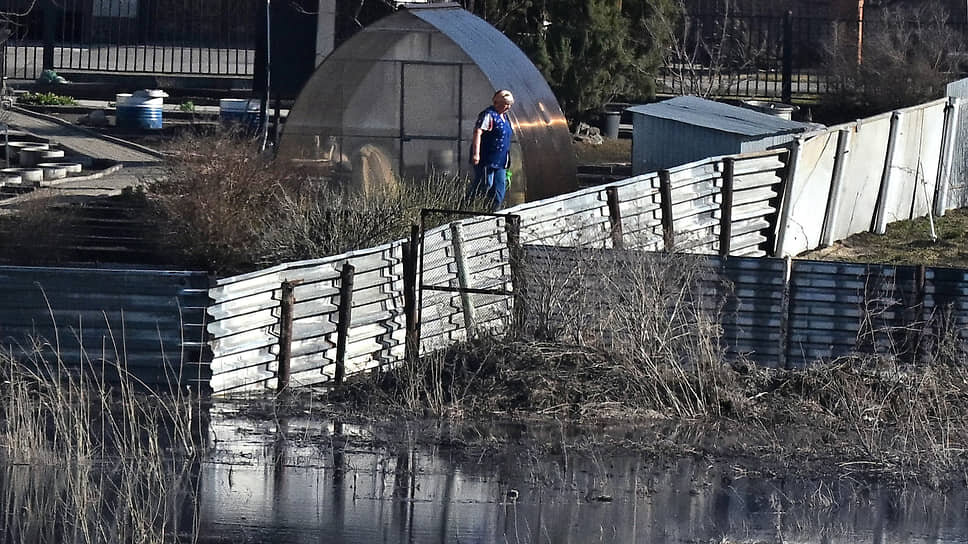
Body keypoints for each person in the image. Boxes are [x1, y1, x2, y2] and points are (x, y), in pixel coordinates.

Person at [468, 89, 514, 210]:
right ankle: (466, 207)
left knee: (500, 187)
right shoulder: (488, 115)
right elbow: (478, 132)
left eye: (509, 105)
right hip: (487, 158)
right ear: (496, 102)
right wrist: (476, 154)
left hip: (501, 160)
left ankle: (493, 212)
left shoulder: (505, 117)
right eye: (506, 104)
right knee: (485, 184)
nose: (508, 107)